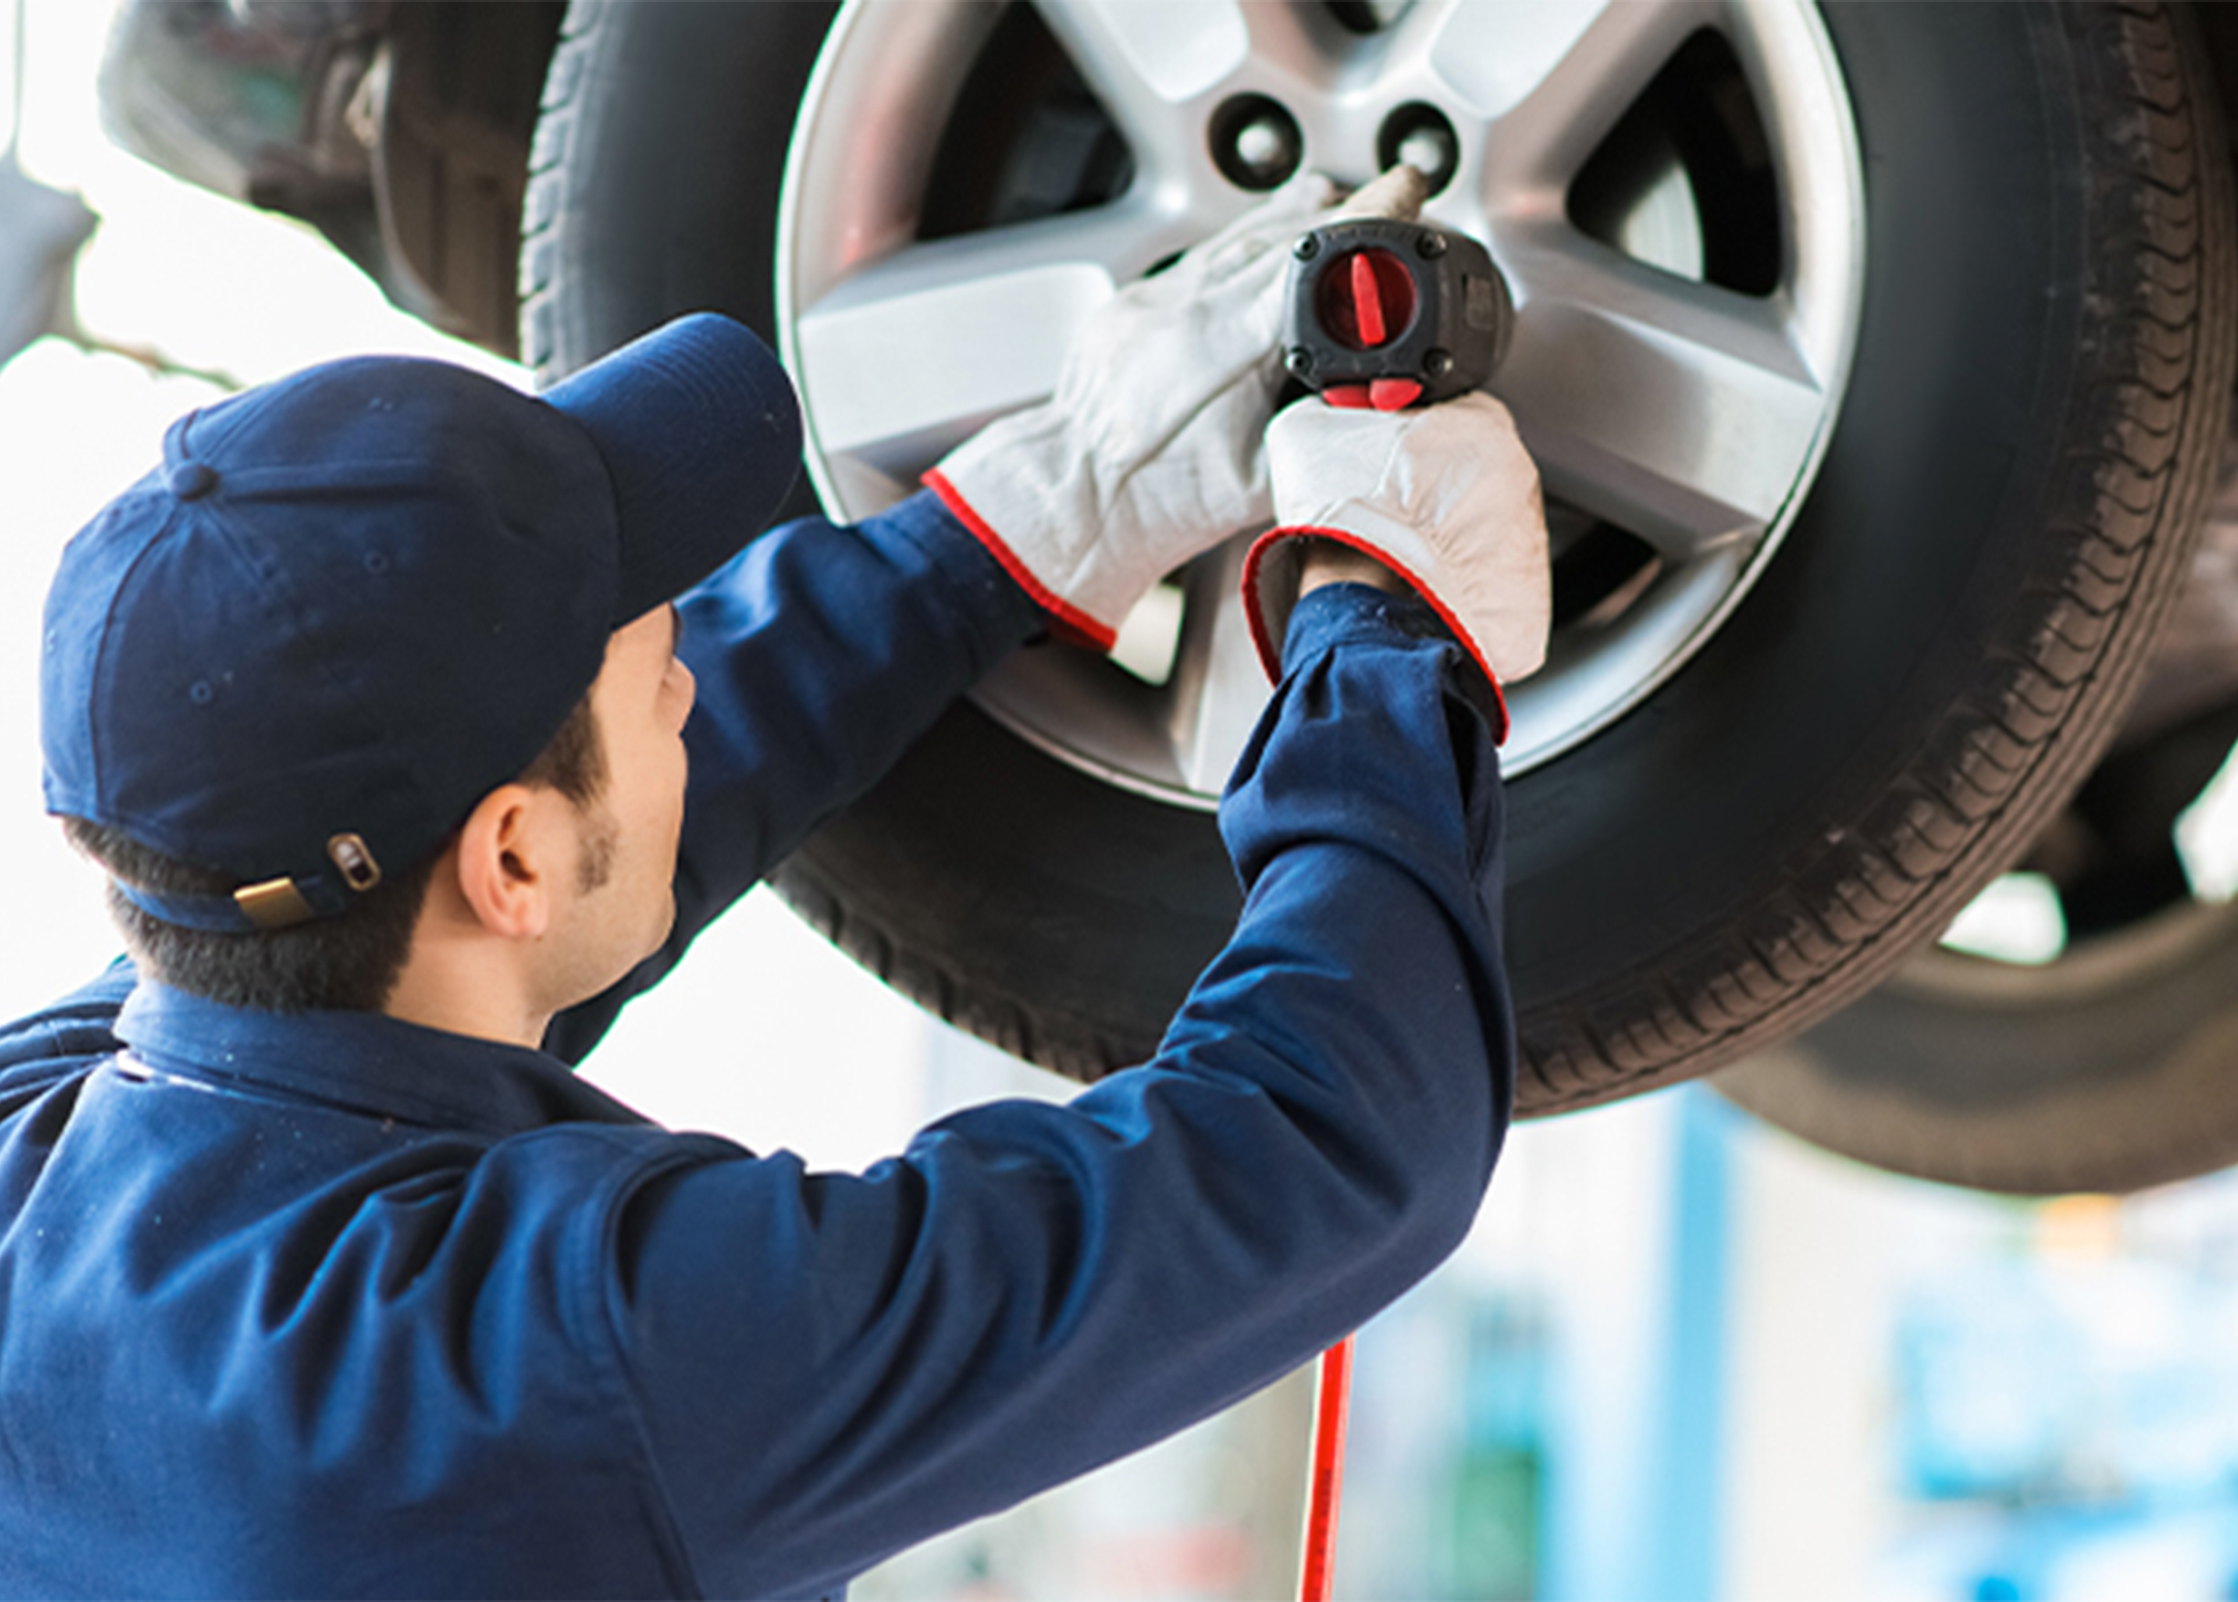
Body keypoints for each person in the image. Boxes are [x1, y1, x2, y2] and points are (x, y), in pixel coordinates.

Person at [0, 169, 1548, 1599]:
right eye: (657, 661)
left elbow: (534, 855)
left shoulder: (58, 1137)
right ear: (512, 859)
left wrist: (1010, 525)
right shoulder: (545, 1381)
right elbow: (1322, 1148)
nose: (689, 685)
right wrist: (1380, 626)